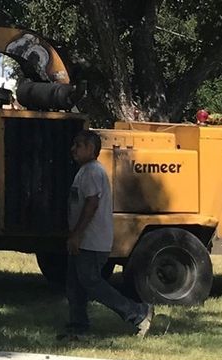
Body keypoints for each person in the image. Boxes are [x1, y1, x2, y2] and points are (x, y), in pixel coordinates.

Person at [61, 131, 153, 339]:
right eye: (73, 144)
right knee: (74, 285)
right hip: (83, 240)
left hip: (91, 242)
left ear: (91, 150)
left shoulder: (93, 172)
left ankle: (137, 313)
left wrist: (76, 235)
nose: (73, 149)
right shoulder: (84, 171)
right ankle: (78, 326)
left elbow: (91, 205)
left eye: (79, 145)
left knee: (92, 283)